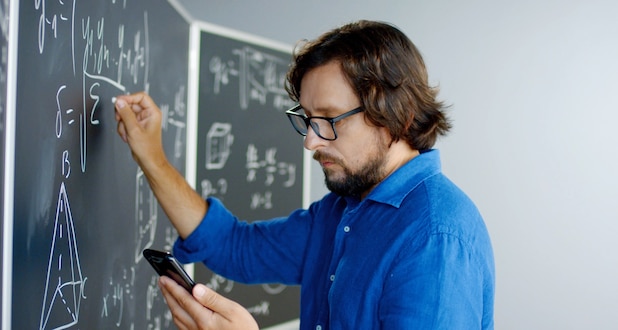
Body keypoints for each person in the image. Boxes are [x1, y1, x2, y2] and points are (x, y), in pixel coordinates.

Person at [115, 20, 495, 330]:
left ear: (396, 114)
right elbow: (236, 247)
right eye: (308, 121)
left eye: (329, 120)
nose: (311, 143)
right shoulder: (340, 212)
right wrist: (150, 155)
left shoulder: (436, 236)